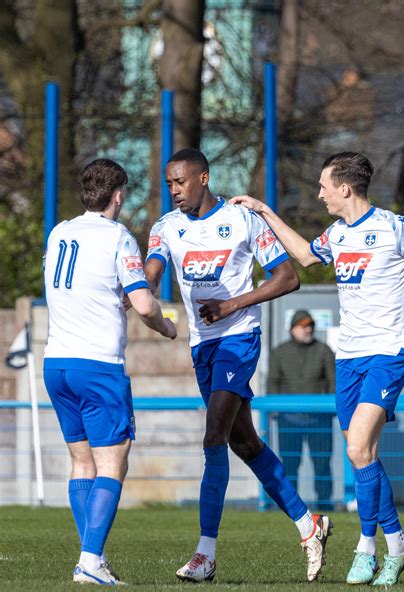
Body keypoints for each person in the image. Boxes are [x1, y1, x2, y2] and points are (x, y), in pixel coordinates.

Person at [231, 151, 404, 587]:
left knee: (358, 448)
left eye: (323, 186)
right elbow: (303, 255)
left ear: (345, 188)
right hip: (350, 357)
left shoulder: (396, 228)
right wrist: (264, 211)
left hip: (390, 353)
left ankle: (366, 546)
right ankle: (399, 546)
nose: (319, 194)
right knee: (364, 456)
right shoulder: (337, 234)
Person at [145, 148, 333, 583]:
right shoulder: (165, 227)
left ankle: (205, 553)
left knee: (214, 436)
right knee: (243, 442)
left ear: (204, 178)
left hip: (238, 339)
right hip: (202, 346)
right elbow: (153, 271)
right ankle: (310, 525)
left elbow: (289, 277)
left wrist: (233, 303)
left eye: (181, 181)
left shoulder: (242, 220)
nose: (174, 190)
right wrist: (137, 289)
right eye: (169, 183)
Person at [43, 158, 176, 586]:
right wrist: (167, 326)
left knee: (82, 462)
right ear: (118, 195)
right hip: (97, 365)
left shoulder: (60, 231)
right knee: (112, 464)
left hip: (56, 362)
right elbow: (142, 304)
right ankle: (90, 560)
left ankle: (90, 558)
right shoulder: (118, 237)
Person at [267, 309, 335, 511]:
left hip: (319, 419)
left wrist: (329, 410)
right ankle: (290, 507)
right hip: (288, 420)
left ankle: (325, 505)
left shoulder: (324, 351)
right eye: (303, 325)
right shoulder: (279, 352)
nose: (308, 329)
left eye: (311, 325)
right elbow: (272, 382)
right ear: (292, 328)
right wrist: (277, 412)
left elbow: (333, 383)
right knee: (289, 465)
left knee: (322, 464)